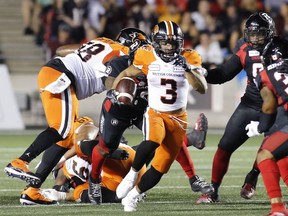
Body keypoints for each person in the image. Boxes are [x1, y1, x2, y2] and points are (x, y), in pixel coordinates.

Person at [3, 30, 139, 205]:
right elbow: (109, 78)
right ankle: (20, 161)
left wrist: (80, 55)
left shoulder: (103, 42)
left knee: (66, 138)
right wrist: (120, 90)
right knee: (62, 128)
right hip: (62, 76)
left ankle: (32, 192)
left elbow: (61, 50)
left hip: (56, 72)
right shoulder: (122, 54)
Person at [87, 27, 212, 205]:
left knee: (163, 140)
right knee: (106, 147)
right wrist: (117, 89)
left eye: (143, 45)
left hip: (143, 109)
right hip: (118, 109)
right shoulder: (120, 63)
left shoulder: (153, 56)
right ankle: (94, 181)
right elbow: (107, 80)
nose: (142, 49)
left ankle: (193, 175)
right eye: (136, 47)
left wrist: (192, 70)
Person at [196, 12, 277, 203]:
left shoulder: (281, 48)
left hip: (276, 108)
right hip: (250, 104)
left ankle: (253, 176)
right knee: (224, 146)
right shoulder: (244, 49)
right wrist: (203, 73)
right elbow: (224, 73)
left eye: (260, 34)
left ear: (270, 33)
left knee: (272, 150)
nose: (255, 39)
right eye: (252, 34)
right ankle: (213, 189)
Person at [245, 36, 288, 215]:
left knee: (264, 154)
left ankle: (278, 208)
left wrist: (260, 127)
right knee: (283, 160)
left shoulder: (266, 74)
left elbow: (269, 103)